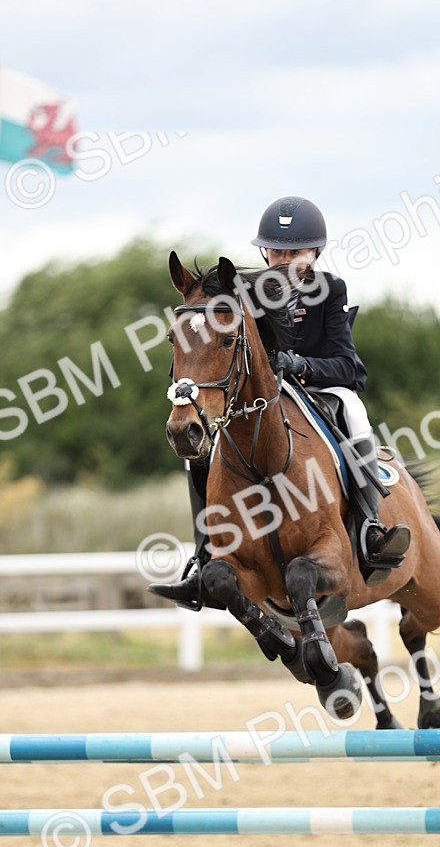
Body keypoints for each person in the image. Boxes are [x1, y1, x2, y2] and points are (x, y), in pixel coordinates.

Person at [157, 196, 410, 610]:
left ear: (314, 253)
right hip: (259, 395)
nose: (284, 259)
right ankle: (205, 553)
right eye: (276, 250)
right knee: (197, 451)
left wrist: (300, 365)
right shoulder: (247, 291)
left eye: (295, 252)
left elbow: (349, 366)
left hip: (317, 387)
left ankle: (370, 528)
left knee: (355, 409)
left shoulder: (330, 290)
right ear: (264, 251)